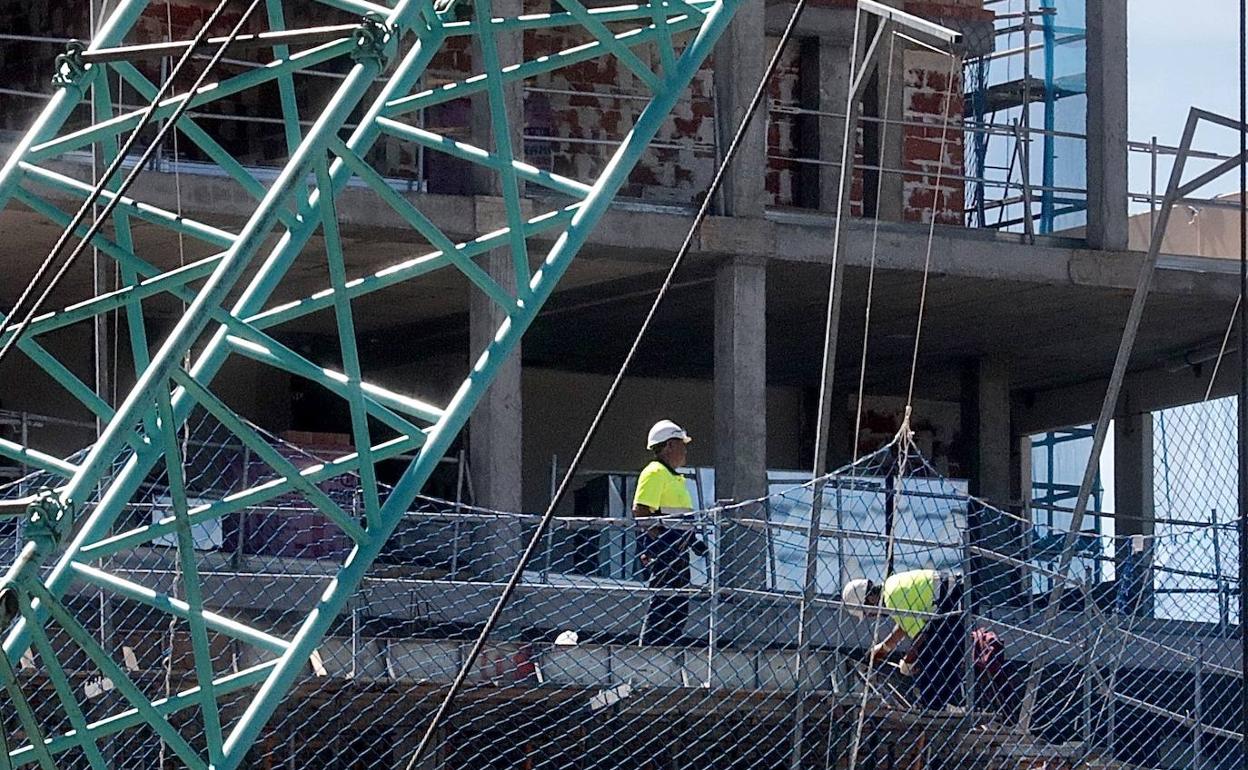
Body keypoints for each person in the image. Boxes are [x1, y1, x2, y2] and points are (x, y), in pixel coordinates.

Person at [842, 569, 967, 711]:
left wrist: (908, 661)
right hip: (955, 594)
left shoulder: (892, 600)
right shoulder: (891, 587)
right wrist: (885, 648)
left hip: (953, 598)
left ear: (869, 600)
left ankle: (933, 707)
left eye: (866, 612)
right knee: (941, 651)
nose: (870, 617)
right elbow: (906, 625)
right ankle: (948, 704)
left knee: (930, 655)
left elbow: (921, 636)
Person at [633, 419, 707, 646]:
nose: (685, 450)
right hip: (664, 554)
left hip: (678, 552)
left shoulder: (674, 477)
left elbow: (678, 517)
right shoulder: (655, 472)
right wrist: (661, 542)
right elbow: (641, 511)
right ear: (668, 446)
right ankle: (648, 654)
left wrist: (693, 542)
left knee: (679, 607)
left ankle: (668, 650)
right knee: (662, 605)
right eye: (681, 444)